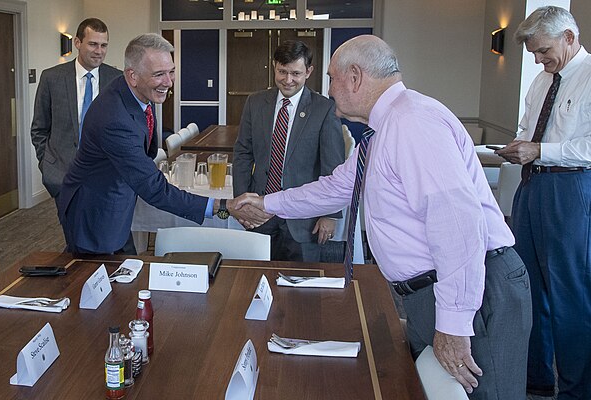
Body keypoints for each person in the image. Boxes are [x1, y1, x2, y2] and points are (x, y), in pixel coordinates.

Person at [233, 35, 532, 399]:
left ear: (355, 77)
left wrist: (454, 323)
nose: (327, 88)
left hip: (473, 293)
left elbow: (457, 225)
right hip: (435, 292)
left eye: (330, 77)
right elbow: (336, 188)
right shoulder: (384, 127)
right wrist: (267, 203)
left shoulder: (412, 123)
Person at [58, 33, 269, 254]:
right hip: (94, 213)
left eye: (171, 72)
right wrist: (223, 206)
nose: (168, 83)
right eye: (159, 74)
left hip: (119, 203)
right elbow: (154, 188)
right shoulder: (114, 119)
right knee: (95, 280)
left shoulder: (137, 94)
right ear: (133, 76)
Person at [496, 6, 591, 399]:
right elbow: (526, 129)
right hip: (531, 188)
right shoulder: (540, 82)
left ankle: (577, 390)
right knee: (528, 290)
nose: (538, 60)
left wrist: (541, 151)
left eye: (543, 50)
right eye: (534, 53)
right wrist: (519, 148)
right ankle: (536, 379)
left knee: (570, 295)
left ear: (569, 37)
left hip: (571, 192)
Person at [233, 40, 344, 262]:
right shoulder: (255, 103)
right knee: (256, 279)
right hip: (260, 211)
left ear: (309, 71)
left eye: (296, 73)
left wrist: (330, 214)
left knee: (301, 288)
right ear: (274, 66)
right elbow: (243, 153)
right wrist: (241, 201)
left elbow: (332, 167)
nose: (288, 80)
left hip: (304, 218)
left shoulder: (324, 109)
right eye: (282, 72)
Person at [31, 18, 122, 199]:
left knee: (104, 226)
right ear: (78, 43)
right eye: (93, 44)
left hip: (106, 175)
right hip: (63, 176)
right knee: (72, 227)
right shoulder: (51, 78)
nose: (99, 51)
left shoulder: (117, 80)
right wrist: (47, 164)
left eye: (104, 45)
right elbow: (39, 128)